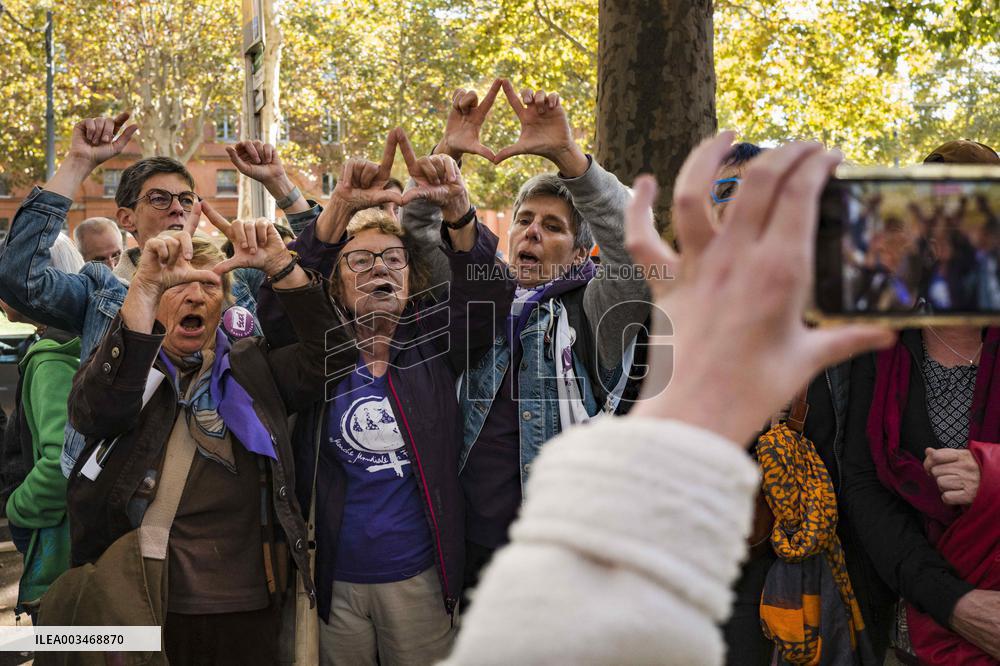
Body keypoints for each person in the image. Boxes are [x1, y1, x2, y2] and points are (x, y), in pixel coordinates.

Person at [442, 135, 895, 665]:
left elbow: (862, 466)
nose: (741, 207)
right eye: (725, 190)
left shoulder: (837, 322)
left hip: (799, 567)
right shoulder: (661, 314)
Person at [257, 128, 510, 665]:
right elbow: (277, 311)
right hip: (334, 584)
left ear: (411, 277)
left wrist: (462, 212)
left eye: (393, 260)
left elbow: (487, 294)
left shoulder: (435, 341)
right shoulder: (314, 350)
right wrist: (340, 208)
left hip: (420, 577)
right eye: (362, 261)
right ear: (336, 283)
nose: (380, 270)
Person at [61, 212, 354, 663]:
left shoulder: (254, 368)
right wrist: (142, 285)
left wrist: (281, 266)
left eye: (211, 286)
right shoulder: (127, 371)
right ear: (157, 300)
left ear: (225, 304)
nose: (195, 295)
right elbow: (95, 413)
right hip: (142, 599)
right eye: (177, 286)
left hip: (248, 600)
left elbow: (333, 357)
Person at [432, 80, 651, 597]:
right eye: (524, 220)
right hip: (466, 561)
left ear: (579, 255)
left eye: (552, 226)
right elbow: (411, 248)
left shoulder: (595, 310)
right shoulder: (475, 301)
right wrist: (449, 154)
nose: (531, 231)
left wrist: (568, 158)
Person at [0, 115, 295, 478]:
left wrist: (280, 185)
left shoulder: (236, 277)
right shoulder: (102, 293)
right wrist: (77, 164)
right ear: (127, 219)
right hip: (128, 501)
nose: (177, 208)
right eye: (159, 198)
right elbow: (19, 278)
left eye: (187, 199)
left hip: (236, 489)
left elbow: (328, 284)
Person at [840, 140, 1000, 664]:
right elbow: (864, 483)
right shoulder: (883, 340)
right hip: (918, 630)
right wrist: (953, 602)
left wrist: (991, 477)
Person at [0, 233, 83, 622]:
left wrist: (18, 508)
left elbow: (61, 459)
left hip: (57, 549)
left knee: (62, 646)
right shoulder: (72, 339)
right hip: (73, 541)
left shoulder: (51, 357)